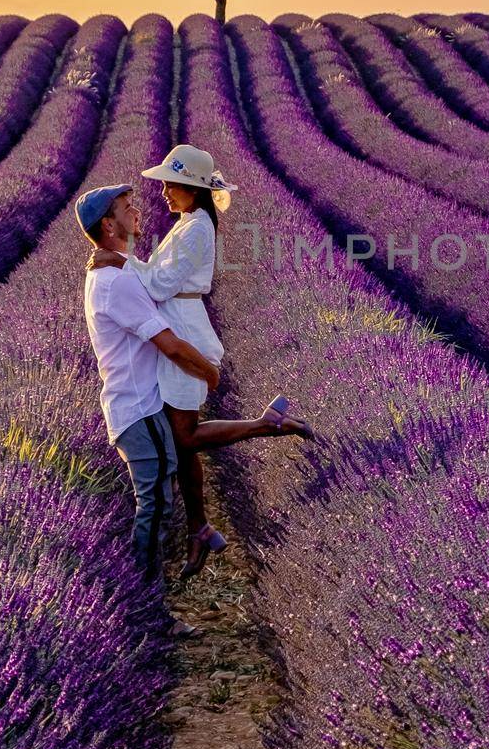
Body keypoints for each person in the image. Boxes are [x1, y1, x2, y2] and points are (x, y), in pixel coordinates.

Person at [88, 144, 314, 581]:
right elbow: (156, 278)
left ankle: (264, 426)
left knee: (185, 437)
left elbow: (160, 282)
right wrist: (123, 261)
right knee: (181, 437)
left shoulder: (196, 229)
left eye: (172, 185)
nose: (164, 193)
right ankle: (199, 526)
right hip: (177, 320)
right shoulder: (188, 222)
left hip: (185, 329)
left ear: (193, 188)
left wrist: (120, 259)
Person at [79, 183, 222, 604]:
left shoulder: (116, 271)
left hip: (137, 408)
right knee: (155, 508)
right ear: (109, 225)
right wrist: (209, 374)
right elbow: (170, 345)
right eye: (126, 208)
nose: (136, 210)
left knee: (159, 502)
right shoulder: (113, 283)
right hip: (137, 410)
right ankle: (145, 606)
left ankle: (151, 598)